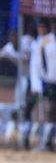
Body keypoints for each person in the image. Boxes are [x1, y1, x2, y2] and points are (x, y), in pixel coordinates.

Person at [30, 18, 56, 151]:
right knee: (48, 111)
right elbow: (36, 65)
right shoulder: (45, 42)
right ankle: (46, 141)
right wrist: (36, 84)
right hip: (50, 83)